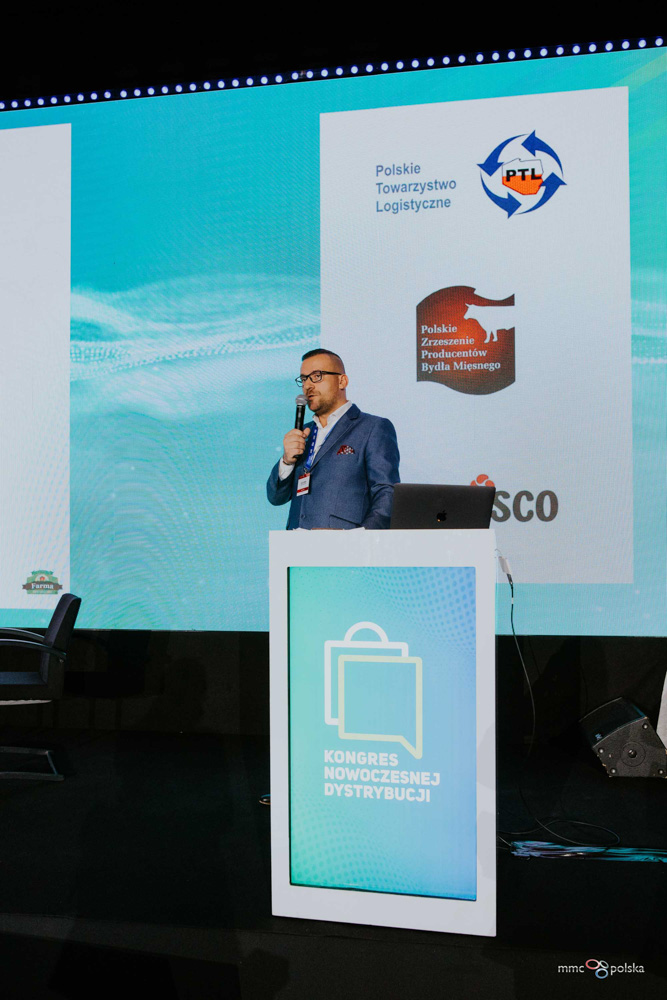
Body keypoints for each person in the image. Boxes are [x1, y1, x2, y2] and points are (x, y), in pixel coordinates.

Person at [266, 349, 400, 530]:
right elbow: (275, 497)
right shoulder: (303, 433)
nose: (308, 385)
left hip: (346, 545)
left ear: (342, 381)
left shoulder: (372, 427)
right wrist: (287, 461)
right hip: (297, 543)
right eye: (304, 379)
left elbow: (387, 493)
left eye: (317, 376)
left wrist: (361, 538)